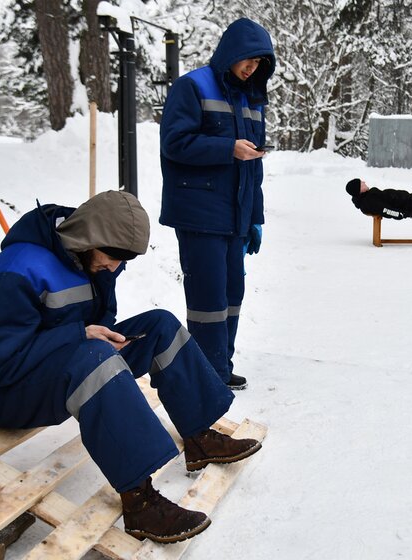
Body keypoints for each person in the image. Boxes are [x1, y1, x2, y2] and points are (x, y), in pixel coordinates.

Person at [0, 190, 261, 544]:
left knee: (159, 326)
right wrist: (80, 336)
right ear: (89, 238)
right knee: (95, 360)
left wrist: (101, 335)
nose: (115, 267)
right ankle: (140, 502)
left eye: (123, 260)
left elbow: (98, 319)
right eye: (113, 258)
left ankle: (200, 437)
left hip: (51, 362)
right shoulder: (17, 270)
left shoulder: (90, 257)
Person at [159, 18, 276, 391]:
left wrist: (254, 218)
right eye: (248, 60)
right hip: (199, 213)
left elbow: (253, 167)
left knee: (232, 295)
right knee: (207, 298)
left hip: (235, 215)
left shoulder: (251, 100)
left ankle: (220, 366)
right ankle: (207, 374)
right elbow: (174, 143)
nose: (251, 68)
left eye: (258, 64)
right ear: (232, 53)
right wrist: (228, 148)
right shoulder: (193, 86)